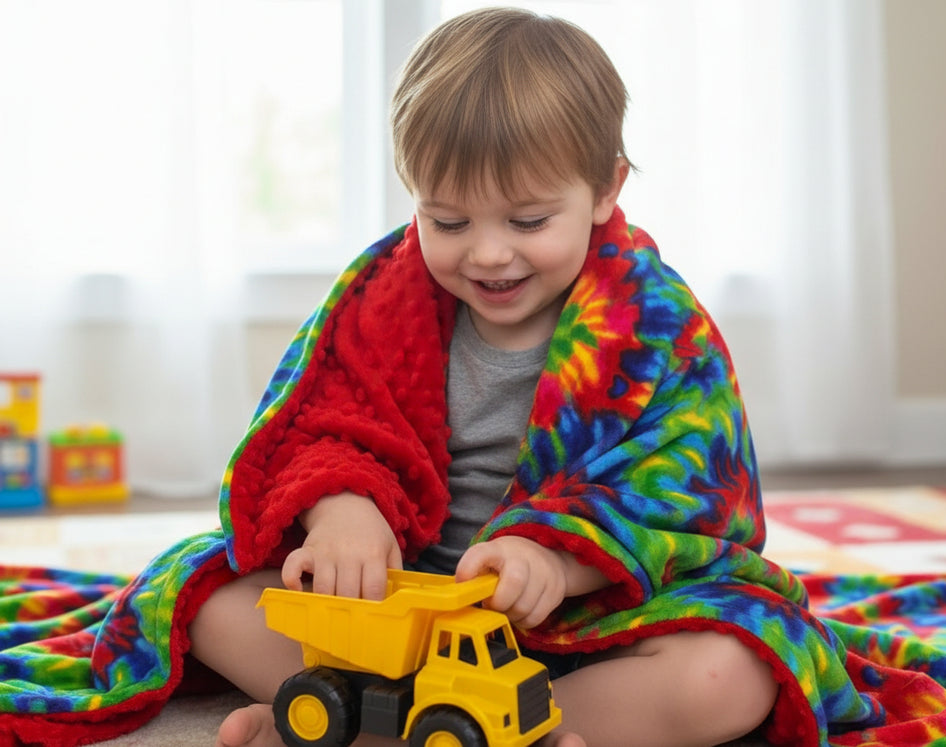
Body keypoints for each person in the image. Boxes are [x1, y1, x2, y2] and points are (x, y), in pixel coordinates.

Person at [189, 8, 784, 747]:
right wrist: (341, 508)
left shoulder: (654, 325)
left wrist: (559, 559)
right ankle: (405, 723)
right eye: (447, 221)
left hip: (575, 627)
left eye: (528, 221)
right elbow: (315, 419)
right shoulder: (380, 298)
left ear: (606, 189)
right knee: (205, 594)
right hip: (392, 618)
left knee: (732, 671)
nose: (489, 254)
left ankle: (424, 729)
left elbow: (687, 493)